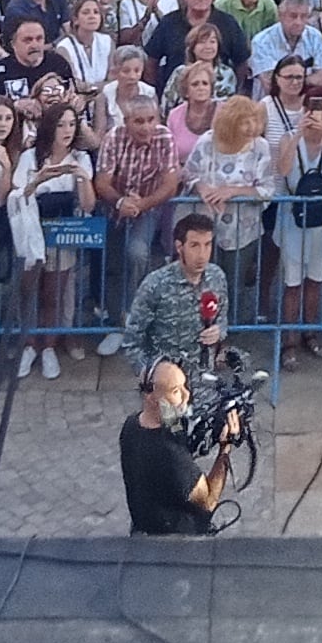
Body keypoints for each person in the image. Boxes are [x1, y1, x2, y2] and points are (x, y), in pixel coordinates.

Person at [118, 357, 230, 536]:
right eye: (176, 391)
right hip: (177, 542)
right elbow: (208, 501)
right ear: (153, 398)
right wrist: (225, 448)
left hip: (144, 527)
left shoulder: (132, 424)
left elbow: (174, 427)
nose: (187, 395)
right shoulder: (172, 457)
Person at [117, 212, 229, 375]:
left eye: (207, 245)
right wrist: (151, 376)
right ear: (179, 247)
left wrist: (218, 332)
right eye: (194, 245)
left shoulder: (217, 278)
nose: (202, 254)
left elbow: (222, 320)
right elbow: (131, 341)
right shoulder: (156, 284)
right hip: (164, 387)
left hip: (204, 381)